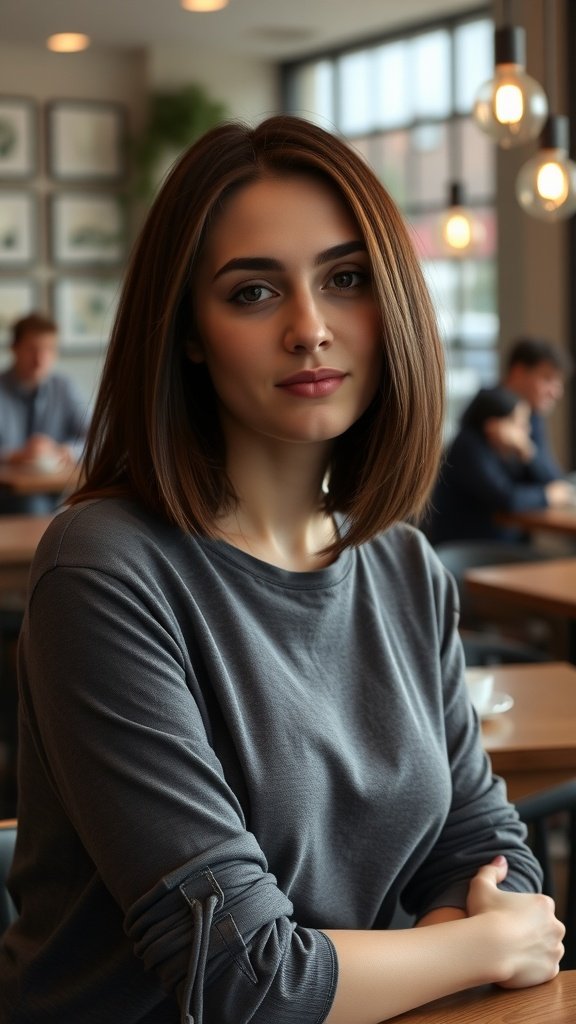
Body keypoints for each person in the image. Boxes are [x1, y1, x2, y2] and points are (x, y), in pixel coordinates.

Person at [0, 116, 564, 1024]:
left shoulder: (402, 563)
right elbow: (242, 980)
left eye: (345, 280)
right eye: (254, 292)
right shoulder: (105, 570)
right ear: (188, 332)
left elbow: (486, 842)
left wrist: (454, 935)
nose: (310, 329)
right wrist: (481, 944)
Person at [425, 384, 575, 546]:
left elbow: (554, 481)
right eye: (520, 423)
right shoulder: (468, 447)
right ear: (494, 426)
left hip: (498, 543)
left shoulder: (502, 450)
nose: (527, 430)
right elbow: (506, 498)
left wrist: (529, 453)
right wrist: (547, 496)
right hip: (470, 548)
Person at [0, 312, 90, 514]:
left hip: (55, 490)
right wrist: (16, 455)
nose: (40, 359)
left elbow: (97, 438)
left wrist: (64, 450)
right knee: (34, 507)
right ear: (14, 349)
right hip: (7, 495)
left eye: (49, 349)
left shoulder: (65, 388)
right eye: (32, 349)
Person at [502, 336, 573, 486]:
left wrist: (527, 449)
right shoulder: (491, 411)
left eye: (559, 382)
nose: (557, 392)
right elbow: (505, 496)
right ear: (518, 372)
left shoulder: (533, 416)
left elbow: (552, 477)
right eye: (547, 379)